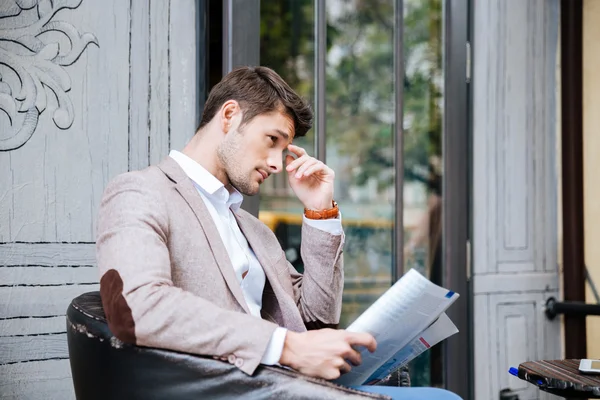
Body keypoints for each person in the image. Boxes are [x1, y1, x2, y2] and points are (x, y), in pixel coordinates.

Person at [96, 66, 461, 399]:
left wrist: (320, 211)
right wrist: (284, 346)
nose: (275, 163)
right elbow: (137, 306)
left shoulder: (251, 229)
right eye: (272, 139)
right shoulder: (141, 191)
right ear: (229, 115)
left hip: (287, 385)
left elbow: (317, 319)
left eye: (284, 149)